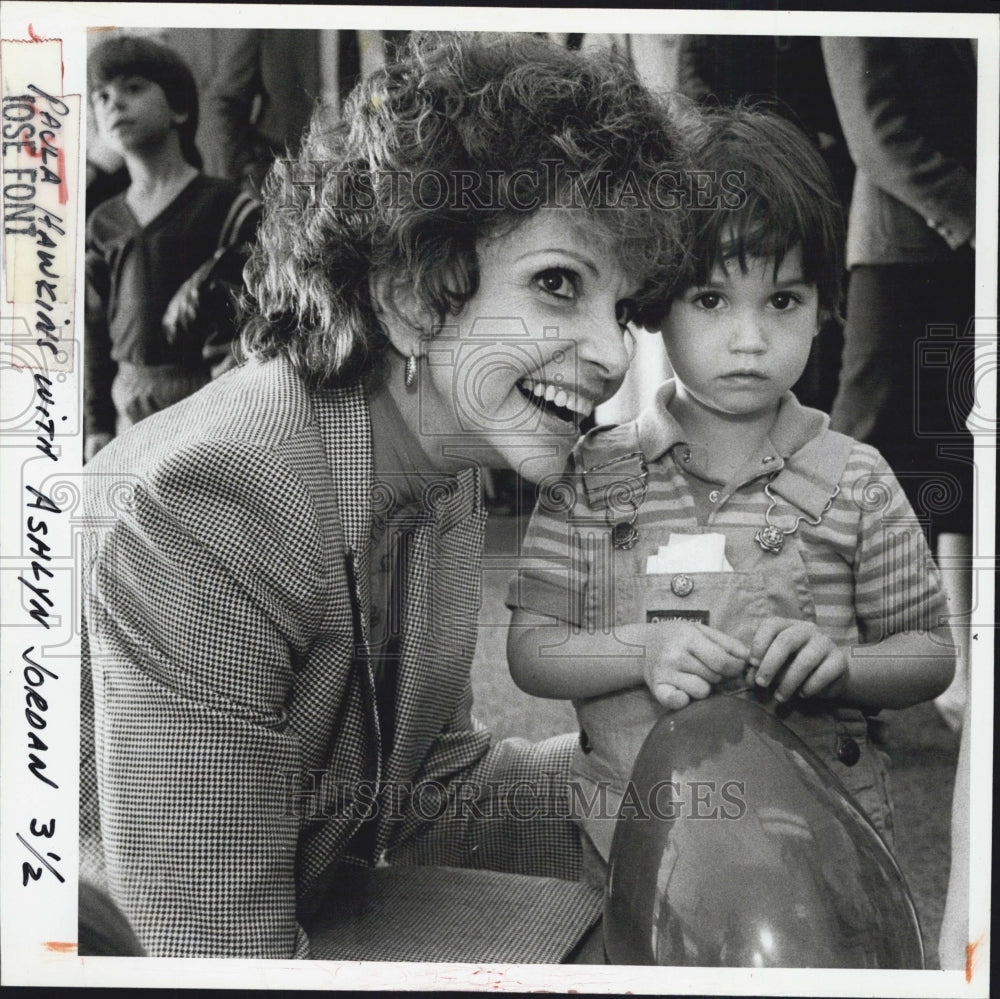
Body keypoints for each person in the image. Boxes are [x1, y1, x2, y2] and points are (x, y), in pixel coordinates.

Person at [80, 32, 690, 959]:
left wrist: (667, 764)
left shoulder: (435, 464)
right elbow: (210, 955)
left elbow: (428, 790)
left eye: (623, 307)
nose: (612, 355)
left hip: (308, 897)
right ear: (411, 290)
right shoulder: (214, 505)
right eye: (559, 284)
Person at [506, 107, 956, 885]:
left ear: (825, 305)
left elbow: (931, 654)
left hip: (823, 860)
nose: (749, 340)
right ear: (654, 305)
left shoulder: (858, 479)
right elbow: (530, 649)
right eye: (711, 300)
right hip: (635, 857)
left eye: (782, 300)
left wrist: (844, 665)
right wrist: (639, 648)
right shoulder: (593, 474)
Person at [821, 38, 977, 733]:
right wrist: (978, 214)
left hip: (967, 257)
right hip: (902, 250)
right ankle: (827, 676)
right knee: (863, 463)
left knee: (955, 465)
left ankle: (951, 672)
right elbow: (875, 135)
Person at [84, 35, 261, 462]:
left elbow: (254, 317)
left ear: (179, 108)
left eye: (133, 88)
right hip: (129, 404)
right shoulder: (103, 221)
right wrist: (97, 423)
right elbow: (93, 329)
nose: (114, 103)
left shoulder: (227, 206)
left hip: (207, 399)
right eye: (102, 96)